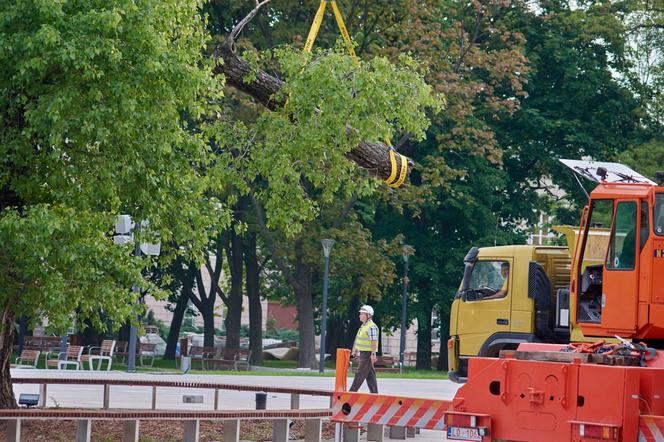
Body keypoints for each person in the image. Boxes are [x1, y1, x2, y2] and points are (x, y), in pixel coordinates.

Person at [349, 305, 379, 393]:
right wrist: (355, 350)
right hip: (363, 353)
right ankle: (374, 394)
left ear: (368, 315)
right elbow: (358, 339)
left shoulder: (371, 326)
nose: (360, 315)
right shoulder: (363, 326)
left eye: (362, 314)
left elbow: (374, 341)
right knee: (370, 375)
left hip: (368, 354)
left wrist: (373, 354)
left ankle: (351, 393)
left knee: (360, 374)